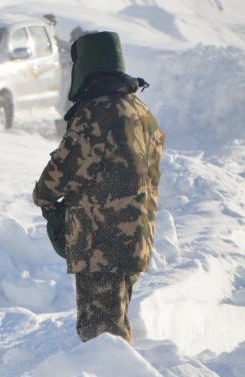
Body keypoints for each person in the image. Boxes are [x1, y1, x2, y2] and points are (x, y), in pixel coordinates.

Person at [33, 31, 165, 343]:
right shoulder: (142, 112)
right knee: (115, 321)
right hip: (135, 235)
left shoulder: (97, 112)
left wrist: (43, 196)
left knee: (101, 333)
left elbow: (65, 168)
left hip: (102, 238)